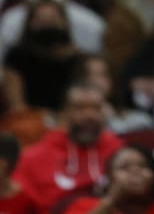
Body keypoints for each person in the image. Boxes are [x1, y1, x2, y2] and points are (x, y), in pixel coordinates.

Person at [12, 83, 124, 211]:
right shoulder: (32, 158)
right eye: (80, 108)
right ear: (64, 113)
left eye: (96, 108)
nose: (89, 115)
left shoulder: (121, 153)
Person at [62, 146, 154, 214]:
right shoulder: (84, 205)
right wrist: (110, 200)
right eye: (124, 167)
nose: (135, 172)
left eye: (143, 166)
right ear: (108, 179)